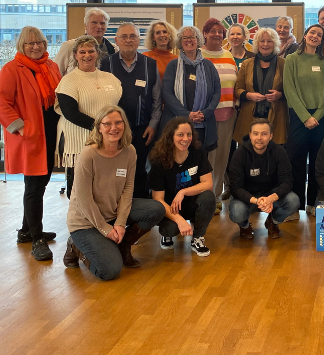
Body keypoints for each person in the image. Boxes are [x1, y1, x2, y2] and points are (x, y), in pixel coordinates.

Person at [63, 106, 165, 281]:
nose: (114, 128)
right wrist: (105, 228)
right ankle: (75, 246)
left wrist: (120, 224)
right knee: (110, 271)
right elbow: (83, 199)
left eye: (118, 122)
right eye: (107, 124)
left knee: (156, 209)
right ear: (99, 128)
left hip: (113, 213)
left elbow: (127, 189)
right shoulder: (88, 155)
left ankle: (123, 246)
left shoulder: (129, 151)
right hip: (86, 222)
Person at [0, 26, 62, 261]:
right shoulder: (12, 69)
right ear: (21, 46)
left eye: (39, 42)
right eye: (30, 43)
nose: (35, 46)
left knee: (41, 182)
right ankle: (37, 239)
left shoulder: (51, 66)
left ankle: (26, 230)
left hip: (50, 132)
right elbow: (1, 103)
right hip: (30, 136)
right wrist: (20, 127)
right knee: (33, 186)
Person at [55, 35, 123, 199]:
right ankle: (79, 216)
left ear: (97, 53)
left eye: (91, 51)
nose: (87, 55)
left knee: (104, 187)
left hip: (107, 140)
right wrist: (102, 127)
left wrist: (109, 130)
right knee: (79, 190)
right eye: (82, 52)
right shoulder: (68, 81)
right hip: (79, 141)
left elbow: (119, 107)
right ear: (75, 55)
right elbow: (70, 113)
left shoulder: (110, 78)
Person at [100, 23, 162, 199]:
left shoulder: (150, 64)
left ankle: (139, 210)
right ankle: (114, 208)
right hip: (113, 130)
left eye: (132, 36)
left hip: (142, 129)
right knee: (114, 170)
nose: (128, 40)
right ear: (116, 40)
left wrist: (153, 125)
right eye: (124, 37)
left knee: (139, 169)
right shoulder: (105, 64)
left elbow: (157, 99)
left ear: (138, 40)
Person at [283, 23, 324, 219]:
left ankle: (313, 203)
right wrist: (305, 117)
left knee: (318, 162)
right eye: (312, 32)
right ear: (305, 35)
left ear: (321, 40)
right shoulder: (292, 59)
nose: (315, 36)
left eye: (319, 35)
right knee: (295, 161)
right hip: (298, 116)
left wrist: (317, 116)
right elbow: (289, 90)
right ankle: (295, 207)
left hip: (321, 117)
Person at [148, 117, 216, 257]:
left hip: (190, 203)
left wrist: (183, 192)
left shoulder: (197, 151)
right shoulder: (158, 159)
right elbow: (158, 199)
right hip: (169, 207)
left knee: (208, 197)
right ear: (170, 136)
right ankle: (167, 235)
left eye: (189, 134)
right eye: (180, 134)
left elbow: (208, 184)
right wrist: (179, 220)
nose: (185, 139)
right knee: (170, 230)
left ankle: (197, 238)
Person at [228, 118, 300, 239]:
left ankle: (273, 221)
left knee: (293, 201)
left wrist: (271, 198)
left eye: (264, 134)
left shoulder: (279, 152)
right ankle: (245, 226)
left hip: (271, 194)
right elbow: (235, 188)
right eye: (255, 133)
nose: (259, 138)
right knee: (237, 211)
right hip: (248, 197)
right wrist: (257, 201)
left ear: (271, 136)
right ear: (250, 135)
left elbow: (287, 182)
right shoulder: (239, 154)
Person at [160, 26, 221, 153]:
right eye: (185, 38)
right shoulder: (173, 65)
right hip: (177, 122)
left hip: (203, 123)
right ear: (180, 42)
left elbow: (216, 92)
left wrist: (205, 113)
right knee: (178, 157)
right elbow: (167, 93)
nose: (189, 40)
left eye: (192, 37)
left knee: (200, 158)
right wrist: (186, 114)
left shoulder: (208, 66)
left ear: (198, 40)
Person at [201, 18, 239, 213]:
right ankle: (204, 196)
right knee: (206, 157)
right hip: (205, 115)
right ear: (205, 33)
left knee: (222, 156)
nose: (216, 34)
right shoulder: (198, 54)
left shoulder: (228, 55)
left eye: (220, 32)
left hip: (227, 112)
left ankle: (215, 195)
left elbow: (235, 82)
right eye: (212, 31)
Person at [233, 27, 287, 144]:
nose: (265, 44)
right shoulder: (247, 64)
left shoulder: (284, 64)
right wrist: (249, 95)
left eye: (269, 41)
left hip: (275, 116)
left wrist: (279, 95)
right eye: (262, 41)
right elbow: (237, 89)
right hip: (250, 116)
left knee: (273, 151)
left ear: (275, 43)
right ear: (257, 44)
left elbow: (290, 90)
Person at [54, 8, 117, 75]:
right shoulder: (69, 47)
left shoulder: (114, 49)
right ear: (86, 26)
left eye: (102, 23)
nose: (99, 26)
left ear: (106, 27)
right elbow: (55, 73)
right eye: (94, 23)